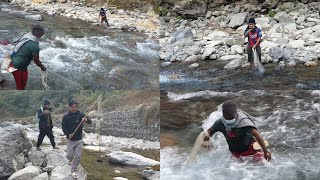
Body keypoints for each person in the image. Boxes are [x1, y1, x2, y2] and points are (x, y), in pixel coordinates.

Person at [204, 101, 271, 161]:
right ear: (223, 115)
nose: (229, 120)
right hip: (235, 153)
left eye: (231, 118)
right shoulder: (220, 123)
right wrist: (207, 144)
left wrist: (266, 151)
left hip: (250, 149)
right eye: (226, 118)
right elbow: (209, 132)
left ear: (236, 115)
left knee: (259, 164)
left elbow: (257, 135)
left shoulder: (244, 123)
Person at [10, 24, 47, 90]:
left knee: (20, 83)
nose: (41, 37)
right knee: (21, 86)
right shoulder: (34, 46)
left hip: (12, 62)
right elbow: (36, 61)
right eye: (41, 35)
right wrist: (42, 67)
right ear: (38, 34)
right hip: (18, 67)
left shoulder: (26, 36)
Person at [62, 100, 92, 179]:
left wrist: (86, 120)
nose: (74, 109)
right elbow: (64, 127)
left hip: (79, 139)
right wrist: (68, 135)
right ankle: (70, 162)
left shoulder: (81, 114)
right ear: (69, 107)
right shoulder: (65, 117)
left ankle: (73, 170)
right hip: (70, 140)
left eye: (76, 107)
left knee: (78, 156)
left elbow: (90, 121)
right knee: (69, 155)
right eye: (73, 107)